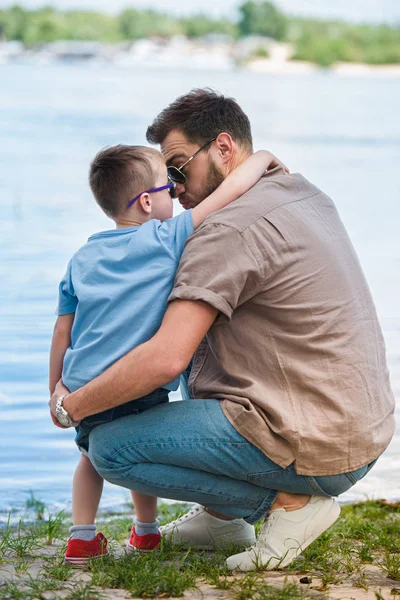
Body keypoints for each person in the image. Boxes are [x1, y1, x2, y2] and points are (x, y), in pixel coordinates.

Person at [50, 89, 395, 572]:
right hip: (354, 429)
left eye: (177, 169)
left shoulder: (224, 231)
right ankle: (220, 517)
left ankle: (287, 507)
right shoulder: (302, 192)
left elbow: (166, 360)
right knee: (189, 331)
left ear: (224, 148)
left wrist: (70, 405)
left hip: (310, 445)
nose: (174, 186)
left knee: (109, 448)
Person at [49, 142, 280, 566]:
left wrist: (56, 392)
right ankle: (146, 532)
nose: (176, 195)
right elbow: (225, 196)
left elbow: (63, 329)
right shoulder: (166, 237)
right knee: (141, 451)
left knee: (88, 460)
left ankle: (81, 538)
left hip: (83, 385)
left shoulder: (81, 258)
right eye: (170, 189)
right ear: (147, 200)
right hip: (138, 382)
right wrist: (262, 158)